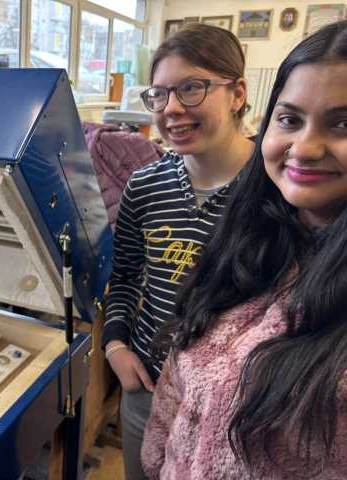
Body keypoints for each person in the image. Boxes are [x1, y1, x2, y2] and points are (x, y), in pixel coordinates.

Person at [142, 20, 347, 479]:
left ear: (238, 95)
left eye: (343, 123)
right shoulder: (253, 232)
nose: (305, 148)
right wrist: (118, 344)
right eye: (290, 119)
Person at [102, 24, 255, 480]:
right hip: (146, 388)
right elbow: (124, 276)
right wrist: (115, 346)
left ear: (237, 94)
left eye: (191, 88)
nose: (171, 109)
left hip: (231, 410)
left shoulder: (273, 192)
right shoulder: (145, 185)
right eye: (160, 94)